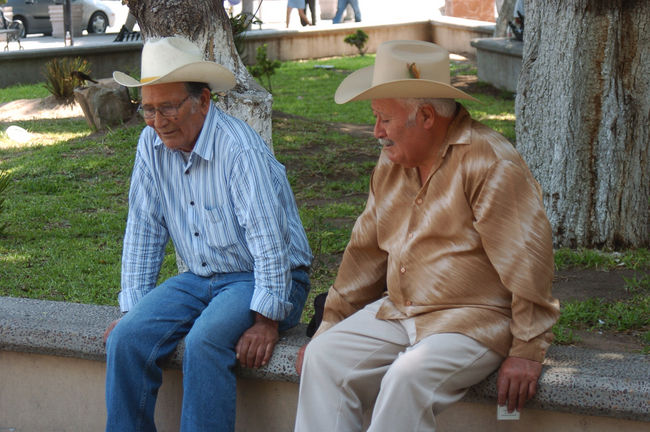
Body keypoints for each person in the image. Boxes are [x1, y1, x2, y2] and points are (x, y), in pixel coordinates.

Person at [294, 40, 560, 431]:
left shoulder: (490, 161)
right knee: (323, 357)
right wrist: (330, 324)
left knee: (406, 379)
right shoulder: (392, 163)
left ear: (426, 116)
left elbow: (527, 263)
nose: (376, 131)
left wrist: (527, 349)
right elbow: (364, 252)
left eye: (385, 118)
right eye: (375, 117)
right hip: (401, 310)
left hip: (473, 319)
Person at [105, 36, 312, 432]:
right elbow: (144, 229)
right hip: (201, 278)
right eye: (148, 109)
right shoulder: (150, 144)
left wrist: (266, 319)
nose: (158, 121)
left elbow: (270, 241)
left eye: (168, 107)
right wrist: (134, 314)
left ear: (203, 101)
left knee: (205, 342)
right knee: (126, 340)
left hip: (265, 276)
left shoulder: (239, 149)